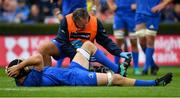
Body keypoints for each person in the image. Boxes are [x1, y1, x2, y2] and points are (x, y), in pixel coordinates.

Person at [6, 41, 173, 87]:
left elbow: (34, 61)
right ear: (22, 73)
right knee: (115, 80)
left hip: (72, 70)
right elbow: (38, 58)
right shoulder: (30, 81)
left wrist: (19, 67)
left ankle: (118, 68)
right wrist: (21, 65)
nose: (24, 65)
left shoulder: (24, 78)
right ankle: (155, 83)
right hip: (76, 78)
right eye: (22, 67)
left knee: (87, 45)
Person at [37, 8, 131, 72]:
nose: (85, 27)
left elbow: (105, 40)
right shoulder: (66, 20)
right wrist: (76, 53)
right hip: (66, 47)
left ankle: (115, 70)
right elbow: (62, 42)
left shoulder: (95, 22)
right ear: (74, 20)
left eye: (86, 23)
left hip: (84, 50)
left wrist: (119, 52)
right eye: (81, 25)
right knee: (43, 48)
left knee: (77, 74)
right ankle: (48, 75)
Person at [135, 0, 173, 75]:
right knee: (141, 42)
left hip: (152, 15)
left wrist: (162, 5)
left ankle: (145, 69)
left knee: (150, 42)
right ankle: (153, 65)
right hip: (139, 13)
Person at [107, 0, 141, 75]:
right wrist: (111, 6)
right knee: (118, 42)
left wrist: (138, 4)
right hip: (119, 15)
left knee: (134, 41)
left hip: (132, 15)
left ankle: (136, 68)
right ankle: (115, 67)